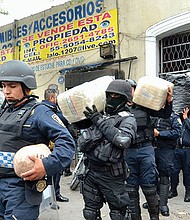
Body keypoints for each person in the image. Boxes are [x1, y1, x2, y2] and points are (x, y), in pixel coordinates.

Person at [0, 60, 75, 220]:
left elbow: (66, 142)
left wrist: (47, 166)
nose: (6, 91)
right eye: (4, 86)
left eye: (12, 86)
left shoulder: (40, 112)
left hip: (21, 187)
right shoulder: (4, 111)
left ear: (26, 87)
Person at [78, 79, 137, 220]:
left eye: (116, 96)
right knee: (90, 213)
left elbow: (123, 141)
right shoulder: (99, 115)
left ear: (125, 99)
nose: (111, 98)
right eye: (109, 95)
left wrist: (99, 121)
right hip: (91, 171)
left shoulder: (128, 119)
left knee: (119, 214)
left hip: (112, 174)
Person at [125, 79, 173, 220]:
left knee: (149, 186)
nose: (130, 92)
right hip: (128, 151)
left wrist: (169, 100)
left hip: (145, 149)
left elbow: (165, 114)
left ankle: (154, 216)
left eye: (132, 89)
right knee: (131, 189)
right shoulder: (119, 108)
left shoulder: (144, 105)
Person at [142, 112, 182, 216]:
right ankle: (153, 201)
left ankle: (163, 204)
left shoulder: (173, 117)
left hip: (166, 150)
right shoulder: (152, 114)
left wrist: (160, 134)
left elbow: (177, 132)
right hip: (152, 148)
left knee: (164, 176)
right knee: (151, 176)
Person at [42, 88, 75, 202]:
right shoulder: (48, 111)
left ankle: (54, 195)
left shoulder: (49, 109)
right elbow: (63, 119)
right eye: (57, 97)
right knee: (54, 173)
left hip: (48, 148)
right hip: (49, 148)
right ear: (52, 98)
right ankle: (53, 196)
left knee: (54, 174)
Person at [168, 107, 190, 202]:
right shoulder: (178, 120)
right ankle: (173, 190)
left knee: (187, 172)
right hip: (176, 149)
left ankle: (188, 192)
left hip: (187, 150)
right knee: (173, 170)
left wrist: (186, 119)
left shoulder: (187, 120)